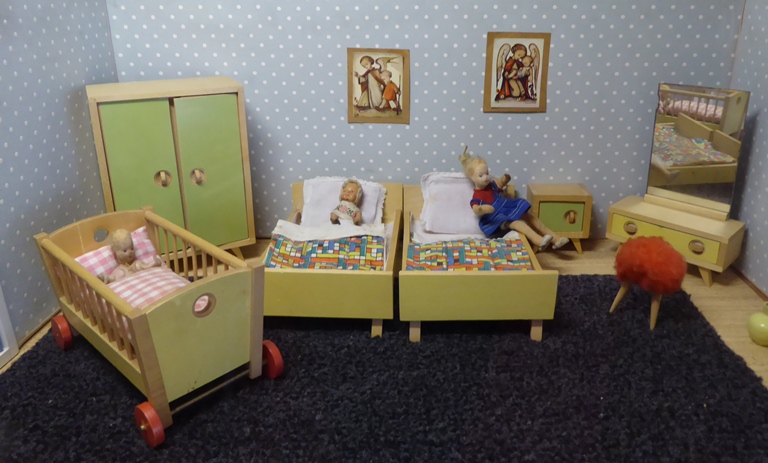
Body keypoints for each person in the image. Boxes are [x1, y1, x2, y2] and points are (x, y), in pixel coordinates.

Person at [458, 147, 569, 251]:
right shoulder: (477, 195)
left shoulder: (491, 185)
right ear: (472, 178)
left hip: (506, 207)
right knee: (517, 224)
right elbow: (476, 208)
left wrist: (504, 179)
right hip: (496, 216)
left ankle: (556, 239)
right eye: (481, 175)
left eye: (487, 173)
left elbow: (499, 183)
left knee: (529, 216)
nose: (486, 177)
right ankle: (539, 241)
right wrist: (483, 209)